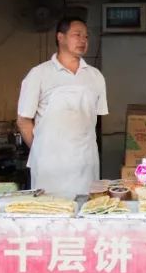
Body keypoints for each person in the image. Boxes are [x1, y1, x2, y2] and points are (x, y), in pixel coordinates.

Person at [17, 17, 108, 199]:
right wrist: (42, 150)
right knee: (50, 211)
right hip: (50, 167)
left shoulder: (95, 76)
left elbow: (94, 120)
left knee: (85, 210)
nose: (83, 40)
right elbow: (23, 121)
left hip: (85, 164)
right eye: (77, 35)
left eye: (86, 37)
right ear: (61, 37)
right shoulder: (39, 74)